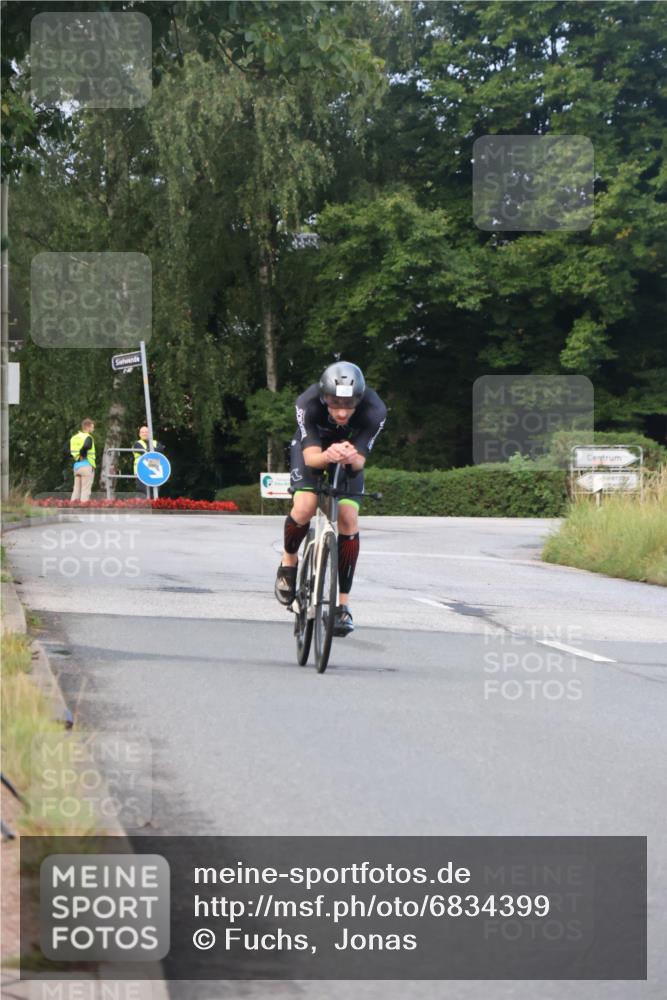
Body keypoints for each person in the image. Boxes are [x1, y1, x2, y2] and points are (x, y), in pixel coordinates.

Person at [274, 361, 387, 636]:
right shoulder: (308, 403)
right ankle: (289, 561)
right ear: (324, 398)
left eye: (348, 406)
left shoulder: (375, 410)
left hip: (347, 456)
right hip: (312, 450)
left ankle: (342, 606)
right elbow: (312, 459)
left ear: (359, 401)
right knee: (305, 506)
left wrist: (350, 457)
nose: (341, 412)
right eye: (335, 404)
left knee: (348, 518)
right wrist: (328, 455)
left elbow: (359, 462)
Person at [132, 426, 164, 498]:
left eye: (146, 432)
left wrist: (149, 450)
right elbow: (145, 453)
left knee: (155, 492)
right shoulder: (137, 443)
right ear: (139, 434)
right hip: (141, 470)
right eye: (142, 432)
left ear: (150, 433)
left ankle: (153, 507)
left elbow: (161, 450)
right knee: (143, 492)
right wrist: (153, 451)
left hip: (155, 471)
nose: (144, 434)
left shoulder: (156, 442)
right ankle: (143, 508)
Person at [70, 418, 96, 502]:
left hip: (77, 466)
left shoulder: (74, 438)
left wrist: (79, 457)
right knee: (85, 490)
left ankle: (72, 507)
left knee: (76, 490)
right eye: (92, 427)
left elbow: (69, 451)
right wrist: (82, 454)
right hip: (86, 465)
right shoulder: (88, 437)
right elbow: (86, 446)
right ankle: (83, 508)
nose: (93, 429)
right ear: (88, 427)